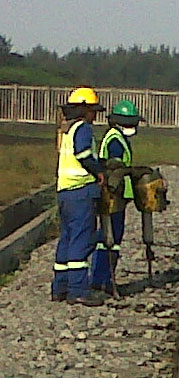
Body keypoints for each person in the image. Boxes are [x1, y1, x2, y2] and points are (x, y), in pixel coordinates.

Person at [53, 87, 107, 306]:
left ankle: (60, 288)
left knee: (67, 238)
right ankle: (78, 290)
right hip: (80, 191)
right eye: (92, 110)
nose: (94, 115)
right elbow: (83, 154)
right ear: (84, 109)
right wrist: (98, 171)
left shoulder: (67, 129)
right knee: (81, 239)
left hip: (65, 191)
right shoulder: (83, 128)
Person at [91, 100, 145, 294]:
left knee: (110, 236)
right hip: (113, 195)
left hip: (117, 195)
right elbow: (116, 168)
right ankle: (102, 280)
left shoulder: (117, 137)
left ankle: (103, 279)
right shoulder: (115, 140)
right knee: (110, 237)